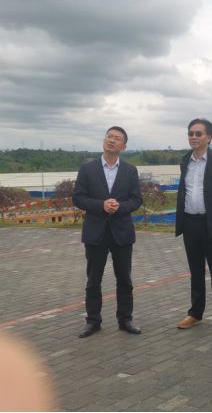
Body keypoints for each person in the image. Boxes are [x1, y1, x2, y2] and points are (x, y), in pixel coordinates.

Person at [73, 126, 143, 338]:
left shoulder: (130, 170)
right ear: (104, 140)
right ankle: (93, 321)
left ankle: (125, 319)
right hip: (96, 231)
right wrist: (101, 205)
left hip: (122, 232)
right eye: (109, 136)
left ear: (124, 146)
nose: (112, 140)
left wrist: (119, 207)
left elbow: (136, 200)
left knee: (125, 280)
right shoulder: (88, 168)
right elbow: (78, 198)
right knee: (93, 281)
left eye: (117, 138)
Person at [175, 119, 212, 332]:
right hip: (190, 223)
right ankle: (195, 313)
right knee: (196, 272)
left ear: (208, 137)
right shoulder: (185, 161)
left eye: (198, 133)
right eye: (190, 133)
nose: (193, 137)